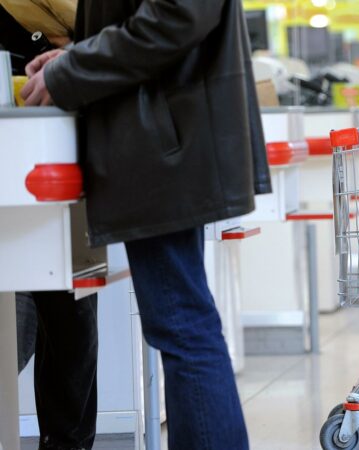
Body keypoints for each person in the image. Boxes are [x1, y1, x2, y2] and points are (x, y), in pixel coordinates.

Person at [20, 1, 271, 449]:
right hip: (165, 131)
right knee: (184, 325)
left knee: (183, 327)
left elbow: (177, 17)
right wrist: (76, 54)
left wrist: (76, 66)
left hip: (164, 138)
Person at [0, 3, 100, 449]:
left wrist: (76, 55)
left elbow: (102, 28)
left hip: (53, 127)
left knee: (67, 297)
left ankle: (67, 441)